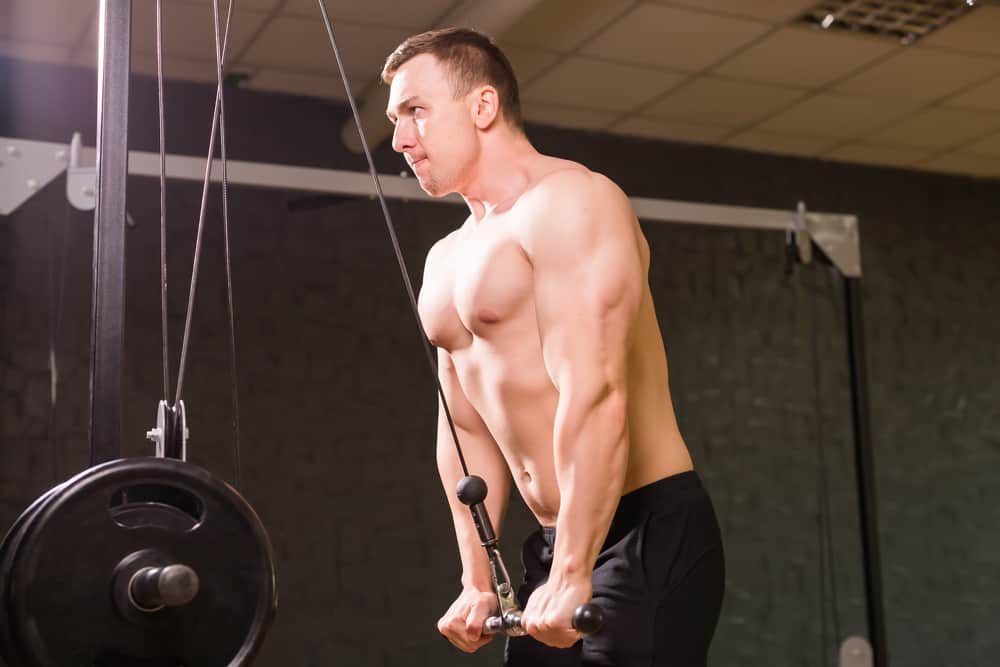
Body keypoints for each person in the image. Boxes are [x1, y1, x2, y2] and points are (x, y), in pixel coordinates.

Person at [381, 28, 725, 666]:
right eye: (396, 120)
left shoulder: (573, 203)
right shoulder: (446, 257)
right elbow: (462, 428)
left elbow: (596, 394)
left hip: (642, 529)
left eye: (416, 111)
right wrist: (477, 578)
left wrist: (573, 570)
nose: (401, 139)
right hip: (550, 542)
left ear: (482, 107)